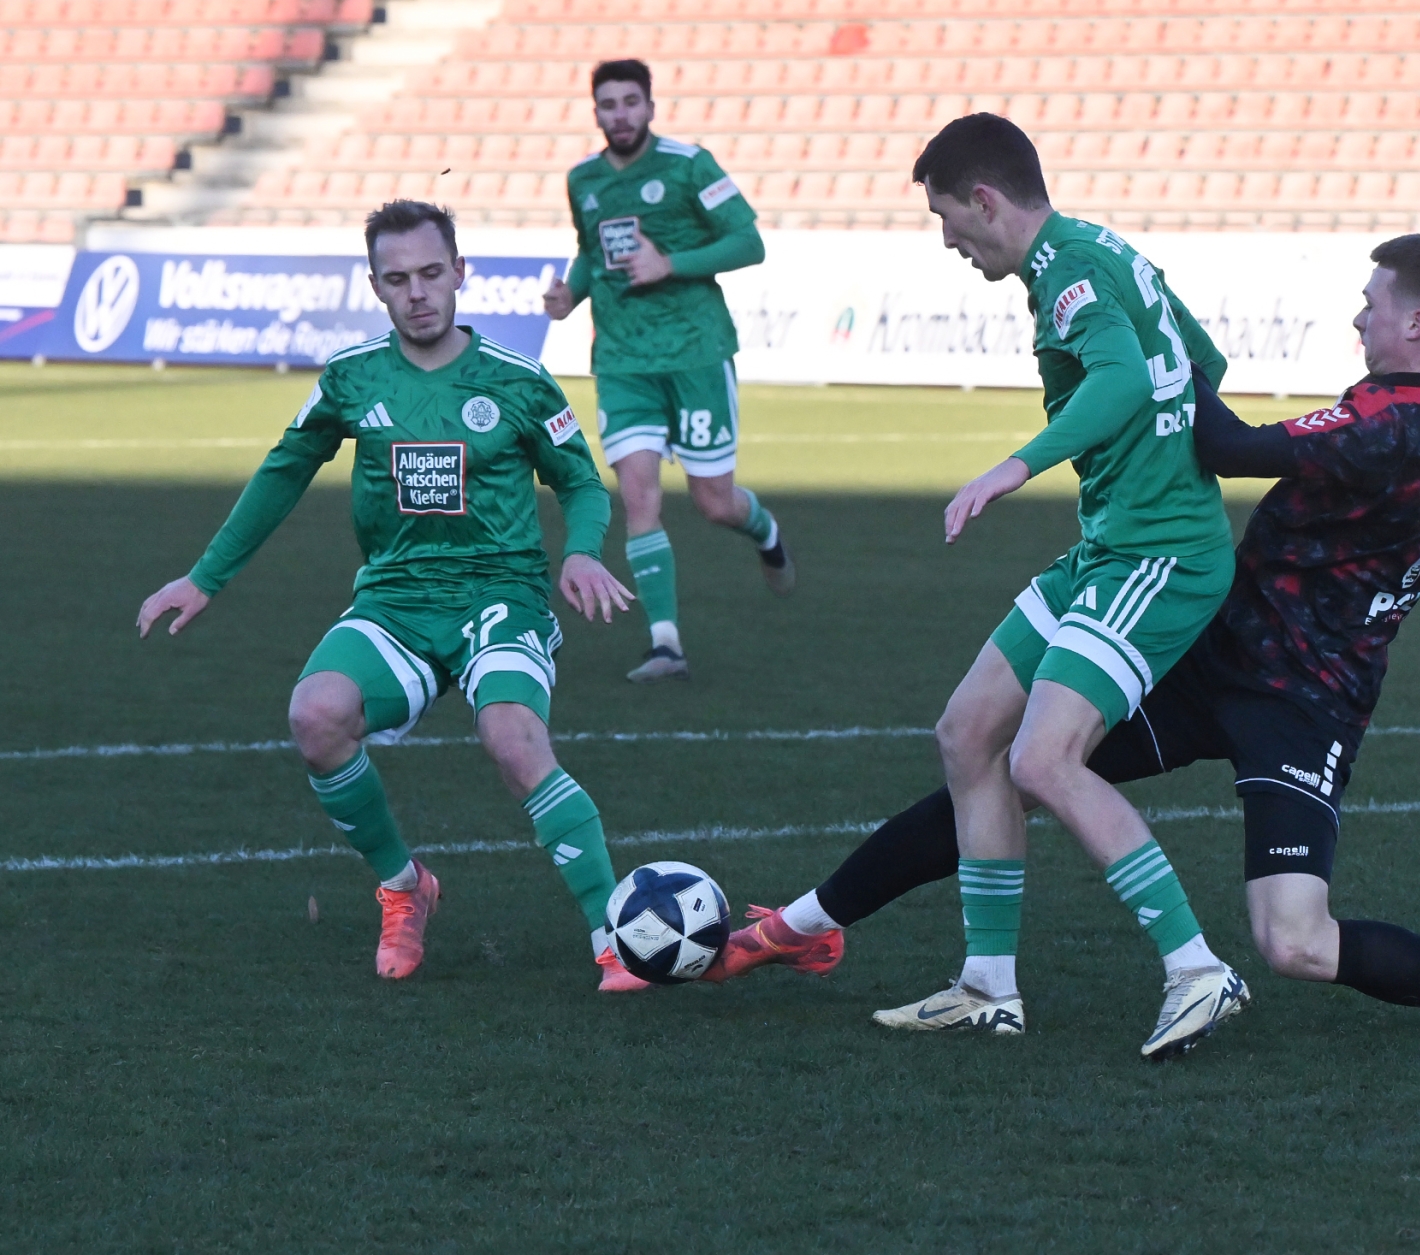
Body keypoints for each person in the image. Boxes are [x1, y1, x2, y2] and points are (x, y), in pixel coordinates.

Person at [713, 233, 1420, 1045]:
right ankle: (800, 926)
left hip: (1305, 695)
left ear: (1416, 321)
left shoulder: (1385, 421)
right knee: (1013, 766)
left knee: (1295, 941)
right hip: (1217, 650)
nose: (1358, 316)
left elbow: (1225, 444)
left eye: (1371, 304)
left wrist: (1148, 319)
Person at [816, 113, 1248, 1061]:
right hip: (1111, 542)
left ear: (984, 201)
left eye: (947, 219)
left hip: (1157, 555)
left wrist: (1017, 466)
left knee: (1042, 760)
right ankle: (988, 986)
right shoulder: (1099, 249)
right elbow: (1203, 364)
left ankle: (1197, 969)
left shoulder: (1068, 270)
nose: (948, 242)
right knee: (968, 731)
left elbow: (1123, 378)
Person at [138, 201, 648, 993]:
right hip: (396, 599)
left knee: (513, 737)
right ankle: (404, 886)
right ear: (375, 285)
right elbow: (284, 469)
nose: (417, 293)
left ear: (460, 273)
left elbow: (580, 480)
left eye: (432, 273)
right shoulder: (351, 377)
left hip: (499, 593)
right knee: (316, 715)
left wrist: (581, 549)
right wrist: (205, 576)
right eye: (398, 278)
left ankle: (613, 936)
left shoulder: (517, 381)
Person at [542, 58, 791, 684]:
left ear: (650, 107)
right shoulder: (583, 180)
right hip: (622, 361)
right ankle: (665, 643)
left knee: (715, 503)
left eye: (631, 102)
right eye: (608, 104)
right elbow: (589, 250)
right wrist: (571, 293)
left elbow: (749, 243)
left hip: (695, 354)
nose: (620, 114)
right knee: (638, 497)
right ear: (596, 112)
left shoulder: (689, 165)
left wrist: (669, 264)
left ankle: (764, 530)